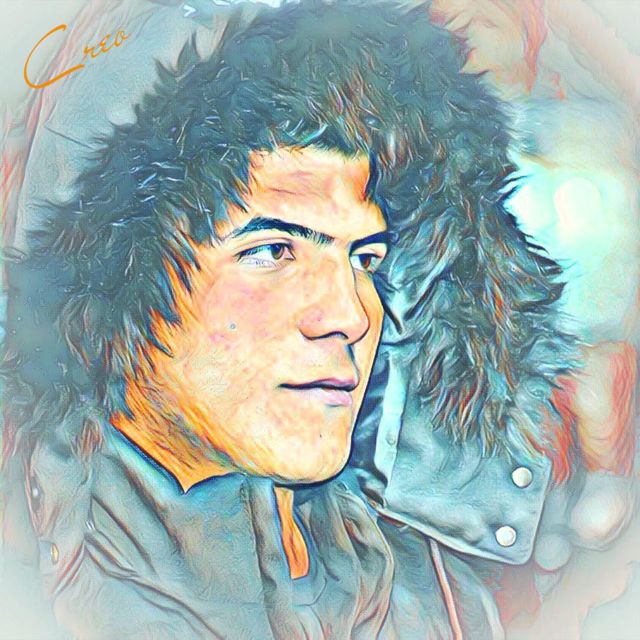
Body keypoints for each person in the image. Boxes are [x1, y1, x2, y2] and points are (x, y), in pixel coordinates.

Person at [0, 1, 574, 638]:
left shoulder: (443, 606)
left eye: (365, 259)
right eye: (273, 250)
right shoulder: (33, 593)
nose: (350, 316)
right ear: (114, 281)